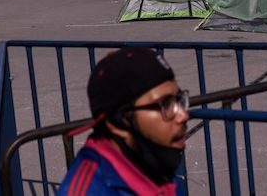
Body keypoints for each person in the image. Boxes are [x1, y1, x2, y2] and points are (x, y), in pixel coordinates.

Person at [57, 47, 190, 196]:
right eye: (165, 104)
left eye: (178, 99)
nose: (183, 115)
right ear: (119, 120)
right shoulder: (90, 190)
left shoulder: (155, 161)